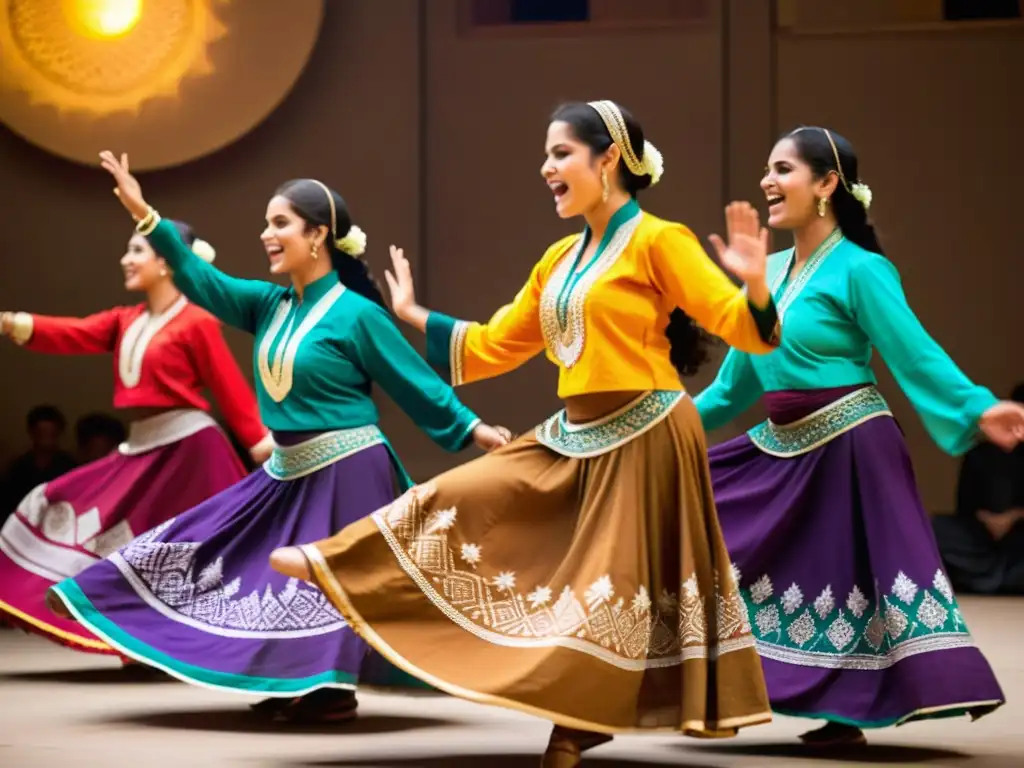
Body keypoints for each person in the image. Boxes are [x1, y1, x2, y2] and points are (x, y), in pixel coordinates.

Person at [270, 100, 782, 766]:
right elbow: (494, 344)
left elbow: (744, 330)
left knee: (606, 586)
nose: (547, 168)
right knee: (470, 490)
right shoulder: (559, 259)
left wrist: (755, 286)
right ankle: (345, 560)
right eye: (546, 155)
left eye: (561, 153)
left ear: (608, 160)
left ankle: (575, 723)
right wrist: (414, 314)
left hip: (648, 431)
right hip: (577, 431)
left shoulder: (661, 239)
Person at [48, 153, 509, 724]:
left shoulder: (357, 315)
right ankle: (291, 675)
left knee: (321, 580)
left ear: (318, 236)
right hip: (290, 468)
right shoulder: (269, 305)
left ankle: (329, 691)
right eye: (267, 223)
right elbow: (200, 278)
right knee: (242, 561)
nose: (266, 234)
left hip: (348, 467)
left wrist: (473, 429)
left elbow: (414, 383)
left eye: (280, 223)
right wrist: (144, 213)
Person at [693, 126, 1024, 747]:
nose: (767, 180)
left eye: (784, 169)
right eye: (766, 168)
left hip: (850, 443)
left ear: (826, 185)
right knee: (692, 510)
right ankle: (723, 686)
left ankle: (846, 712)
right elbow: (733, 388)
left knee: (843, 579)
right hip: (784, 441)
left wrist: (976, 409)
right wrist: (661, 422)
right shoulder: (763, 272)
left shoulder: (861, 269)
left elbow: (913, 353)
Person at [0, 223, 269, 654]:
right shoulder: (127, 320)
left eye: (136, 250)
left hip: (190, 454)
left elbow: (229, 388)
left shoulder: (196, 321)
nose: (126, 259)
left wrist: (263, 444)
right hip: (144, 450)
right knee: (91, 522)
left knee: (199, 555)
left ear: (166, 261)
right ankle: (145, 641)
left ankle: (220, 645)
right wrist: (11, 322)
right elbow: (74, 333)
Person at [933, 382, 1024, 594]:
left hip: (1019, 539)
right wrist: (986, 520)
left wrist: (1015, 516)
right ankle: (995, 578)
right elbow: (964, 504)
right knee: (938, 529)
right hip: (980, 538)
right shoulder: (980, 453)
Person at [1, 406, 76, 521]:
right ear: (32, 433)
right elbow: (8, 506)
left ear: (59, 433)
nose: (46, 439)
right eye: (41, 433)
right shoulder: (18, 467)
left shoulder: (69, 466)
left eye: (51, 434)